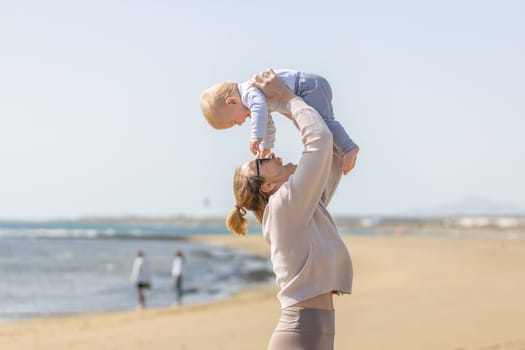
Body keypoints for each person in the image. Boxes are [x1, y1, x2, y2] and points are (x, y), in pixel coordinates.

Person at [226, 70, 353, 349]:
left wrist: (291, 105)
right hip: (300, 331)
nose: (267, 154)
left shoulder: (301, 207)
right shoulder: (284, 207)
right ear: (268, 187)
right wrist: (287, 99)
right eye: (260, 163)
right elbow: (318, 141)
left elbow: (328, 154)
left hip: (315, 329)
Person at [200, 69, 359, 175]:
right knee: (323, 127)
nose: (241, 123)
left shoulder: (249, 91)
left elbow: (259, 109)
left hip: (308, 87)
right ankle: (340, 152)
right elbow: (268, 124)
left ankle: (349, 148)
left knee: (323, 122)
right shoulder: (256, 101)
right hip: (308, 90)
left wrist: (256, 136)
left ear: (232, 102)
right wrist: (266, 147)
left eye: (235, 121)